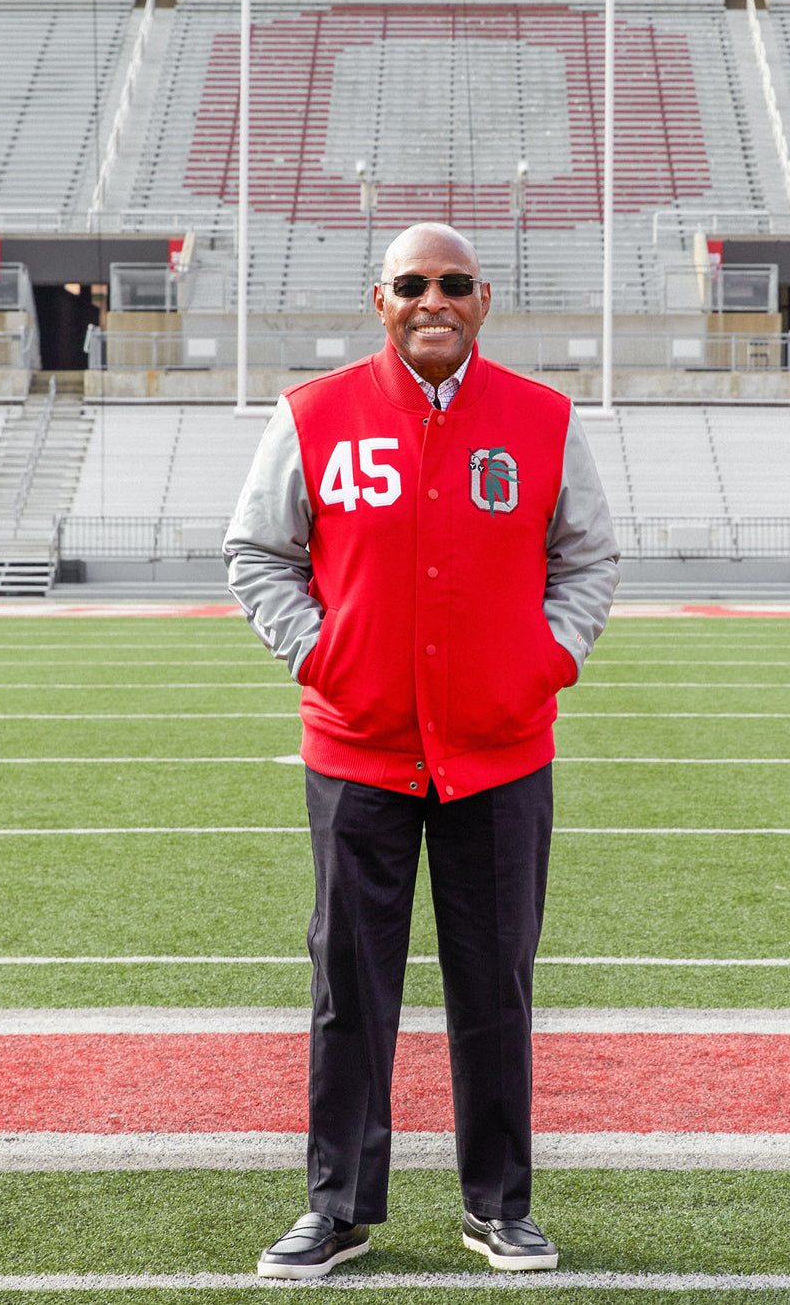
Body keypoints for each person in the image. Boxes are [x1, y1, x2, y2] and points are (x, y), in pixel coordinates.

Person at [224, 221, 620, 1280]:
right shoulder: (315, 414)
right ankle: (338, 1207)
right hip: (357, 749)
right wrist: (324, 658)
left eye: (453, 283)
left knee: (495, 984)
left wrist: (545, 661)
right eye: (412, 283)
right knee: (350, 985)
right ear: (380, 298)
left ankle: (500, 1206)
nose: (432, 299)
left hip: (501, 749)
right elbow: (257, 552)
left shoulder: (540, 418)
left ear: (483, 300)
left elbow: (587, 558)